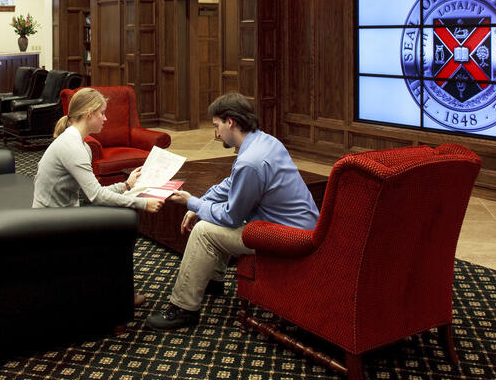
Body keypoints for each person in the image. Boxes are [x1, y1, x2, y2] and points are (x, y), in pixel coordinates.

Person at [145, 92, 319, 331]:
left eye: (216, 126)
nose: (216, 134)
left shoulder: (250, 162)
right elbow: (231, 184)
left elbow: (231, 216)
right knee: (210, 214)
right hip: (304, 227)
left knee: (204, 230)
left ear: (230, 122)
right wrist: (201, 201)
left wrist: (193, 204)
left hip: (287, 237)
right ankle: (213, 281)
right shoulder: (265, 141)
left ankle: (183, 309)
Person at [33, 87, 163, 214]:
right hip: (49, 219)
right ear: (89, 114)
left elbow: (89, 193)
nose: (105, 118)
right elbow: (96, 196)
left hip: (62, 213)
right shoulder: (73, 147)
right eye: (102, 113)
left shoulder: (82, 146)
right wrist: (143, 203)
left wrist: (126, 185)